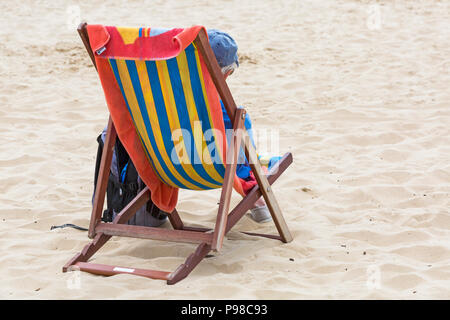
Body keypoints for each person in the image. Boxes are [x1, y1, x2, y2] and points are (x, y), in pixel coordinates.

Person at [207, 29, 273, 223]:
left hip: (171, 165)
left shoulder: (169, 101)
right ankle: (257, 202)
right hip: (216, 168)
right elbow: (242, 156)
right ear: (227, 73)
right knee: (250, 158)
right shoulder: (226, 112)